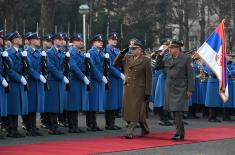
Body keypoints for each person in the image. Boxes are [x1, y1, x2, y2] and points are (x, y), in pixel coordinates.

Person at [113, 38, 153, 139]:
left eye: (134, 48)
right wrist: (122, 53)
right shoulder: (127, 58)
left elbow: (149, 78)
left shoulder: (145, 60)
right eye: (131, 48)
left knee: (135, 110)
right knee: (129, 110)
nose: (132, 50)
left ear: (139, 49)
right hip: (128, 88)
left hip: (139, 89)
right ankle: (145, 128)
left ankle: (129, 131)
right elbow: (115, 64)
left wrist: (148, 92)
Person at [156, 40, 195, 140]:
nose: (169, 49)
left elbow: (191, 75)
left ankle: (178, 132)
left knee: (178, 111)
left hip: (181, 87)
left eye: (171, 48)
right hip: (170, 87)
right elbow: (158, 66)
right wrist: (160, 55)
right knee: (174, 111)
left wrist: (190, 89)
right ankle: (180, 132)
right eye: (169, 48)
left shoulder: (186, 58)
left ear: (177, 49)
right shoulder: (167, 57)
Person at [45, 32, 69, 135]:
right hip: (53, 80)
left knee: (58, 104)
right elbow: (51, 68)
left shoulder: (62, 52)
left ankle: (55, 126)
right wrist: (62, 76)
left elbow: (64, 66)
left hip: (59, 81)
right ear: (54, 40)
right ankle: (52, 127)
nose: (61, 41)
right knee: (52, 105)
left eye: (62, 39)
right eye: (59, 39)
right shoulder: (50, 52)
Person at [6, 32, 29, 138]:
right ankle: (11, 130)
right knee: (12, 107)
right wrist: (19, 78)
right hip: (13, 83)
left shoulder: (21, 52)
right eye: (18, 38)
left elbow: (25, 67)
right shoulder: (8, 53)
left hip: (19, 83)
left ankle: (14, 129)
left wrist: (25, 59)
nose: (21, 39)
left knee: (17, 107)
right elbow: (9, 70)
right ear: (14, 40)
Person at [65, 33, 89, 133]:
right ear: (73, 42)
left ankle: (75, 125)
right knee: (72, 104)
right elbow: (74, 67)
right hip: (74, 80)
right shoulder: (71, 52)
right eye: (78, 41)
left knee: (76, 103)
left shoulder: (80, 53)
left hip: (79, 81)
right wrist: (83, 77)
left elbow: (84, 66)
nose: (81, 42)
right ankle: (71, 126)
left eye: (81, 40)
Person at [24, 32, 46, 136]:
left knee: (36, 105)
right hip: (32, 82)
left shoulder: (39, 52)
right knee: (31, 106)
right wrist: (38, 76)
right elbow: (28, 68)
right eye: (36, 39)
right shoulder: (27, 52)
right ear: (31, 41)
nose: (38, 40)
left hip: (38, 83)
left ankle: (33, 127)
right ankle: (30, 128)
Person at [86, 34, 107, 132]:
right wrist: (101, 77)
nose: (101, 43)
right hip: (94, 80)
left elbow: (104, 67)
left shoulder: (101, 53)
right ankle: (90, 123)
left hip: (99, 80)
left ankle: (93, 123)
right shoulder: (91, 52)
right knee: (92, 102)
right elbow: (92, 67)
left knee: (96, 102)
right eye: (99, 41)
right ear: (93, 43)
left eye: (101, 41)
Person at [104, 32, 124, 130]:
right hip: (112, 78)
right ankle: (109, 123)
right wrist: (120, 74)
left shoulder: (116, 50)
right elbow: (110, 67)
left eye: (115, 39)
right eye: (112, 39)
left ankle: (112, 122)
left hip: (117, 79)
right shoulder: (107, 50)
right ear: (108, 40)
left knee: (115, 101)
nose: (114, 41)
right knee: (110, 101)